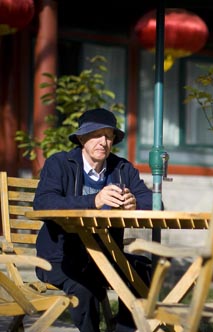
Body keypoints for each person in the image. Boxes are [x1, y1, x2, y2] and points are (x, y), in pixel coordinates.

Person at [34, 108, 153, 332]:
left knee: (144, 272)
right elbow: (43, 203)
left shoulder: (122, 168)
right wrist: (94, 200)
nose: (103, 141)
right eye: (95, 135)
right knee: (85, 289)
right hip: (60, 259)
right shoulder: (59, 164)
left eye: (108, 136)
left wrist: (135, 202)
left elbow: (156, 203)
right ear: (81, 138)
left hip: (108, 256)